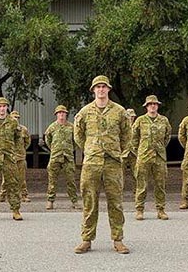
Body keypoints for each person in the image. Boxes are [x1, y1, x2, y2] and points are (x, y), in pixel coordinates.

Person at [73, 75, 131, 255]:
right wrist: (90, 149)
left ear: (108, 89)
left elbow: (127, 135)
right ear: (93, 91)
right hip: (91, 162)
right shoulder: (85, 112)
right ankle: (86, 239)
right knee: (90, 201)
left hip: (112, 162)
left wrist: (118, 151)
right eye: (97, 87)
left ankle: (118, 239)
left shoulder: (120, 111)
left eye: (103, 87)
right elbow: (78, 135)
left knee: (116, 202)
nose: (101, 90)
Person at [131, 95, 172, 221]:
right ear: (146, 106)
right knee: (141, 185)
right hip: (144, 156)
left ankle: (161, 210)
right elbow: (134, 138)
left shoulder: (164, 120)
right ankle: (139, 210)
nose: (152, 106)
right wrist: (140, 151)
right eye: (150, 104)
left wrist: (159, 148)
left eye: (154, 104)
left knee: (160, 184)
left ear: (158, 106)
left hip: (159, 157)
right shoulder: (140, 120)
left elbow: (167, 136)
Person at [44, 105, 78, 210]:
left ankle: (74, 201)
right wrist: (54, 149)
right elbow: (47, 139)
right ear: (56, 115)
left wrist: (70, 149)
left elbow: (76, 141)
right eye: (59, 113)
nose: (61, 114)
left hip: (68, 157)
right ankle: (50, 201)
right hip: (55, 157)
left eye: (63, 113)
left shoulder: (72, 127)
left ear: (66, 114)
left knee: (71, 180)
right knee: (52, 180)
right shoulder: (52, 127)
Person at [0, 110, 31, 203]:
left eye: (17, 117)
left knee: (22, 177)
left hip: (20, 157)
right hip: (9, 156)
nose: (16, 119)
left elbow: (27, 142)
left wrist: (22, 150)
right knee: (6, 177)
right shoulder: (6, 129)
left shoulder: (23, 129)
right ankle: (2, 195)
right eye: (14, 117)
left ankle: (24, 195)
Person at [121, 109, 137, 195]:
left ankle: (136, 190)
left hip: (134, 153)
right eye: (129, 116)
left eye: (132, 116)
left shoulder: (137, 126)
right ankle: (120, 191)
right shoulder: (122, 126)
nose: (131, 118)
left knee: (136, 173)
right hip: (123, 153)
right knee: (121, 174)